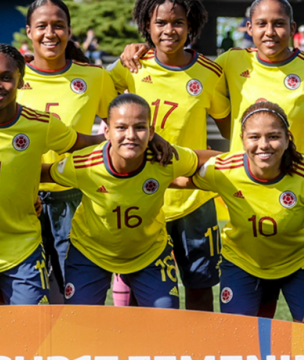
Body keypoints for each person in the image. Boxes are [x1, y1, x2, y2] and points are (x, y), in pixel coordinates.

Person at [0, 44, 173, 307]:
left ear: (21, 81)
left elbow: (84, 141)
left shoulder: (41, 124)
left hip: (22, 250)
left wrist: (138, 137)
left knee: (31, 333)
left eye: (7, 77)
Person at [120, 0, 304, 192]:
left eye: (278, 24)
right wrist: (146, 48)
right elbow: (183, 68)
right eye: (261, 24)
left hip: (298, 182)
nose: (270, 32)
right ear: (250, 28)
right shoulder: (232, 60)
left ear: (292, 28)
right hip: (245, 184)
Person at [108, 0, 231, 312]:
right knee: (139, 287)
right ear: (147, 26)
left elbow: (229, 129)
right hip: (142, 196)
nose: (169, 30)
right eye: (160, 22)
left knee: (200, 285)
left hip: (193, 198)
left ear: (190, 26)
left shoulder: (209, 72)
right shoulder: (128, 67)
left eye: (178, 22)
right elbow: (96, 102)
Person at [41, 93, 215, 307]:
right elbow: (42, 174)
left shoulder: (165, 159)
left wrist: (248, 163)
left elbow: (212, 159)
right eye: (121, 127)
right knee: (79, 324)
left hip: (149, 253)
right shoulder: (83, 163)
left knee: (165, 322)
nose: (130, 135)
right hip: (90, 253)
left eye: (140, 127)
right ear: (107, 132)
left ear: (152, 133)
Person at [174, 101, 304, 326]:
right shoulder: (224, 169)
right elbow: (178, 177)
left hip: (297, 262)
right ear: (242, 140)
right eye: (254, 137)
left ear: (288, 139)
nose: (264, 145)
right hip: (243, 262)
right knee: (237, 336)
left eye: (273, 136)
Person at [16, 0, 119, 303]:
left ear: (70, 31)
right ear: (29, 32)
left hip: (75, 198)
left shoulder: (94, 76)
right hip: (21, 197)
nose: (50, 33)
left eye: (58, 26)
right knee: (22, 298)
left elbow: (119, 124)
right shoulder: (11, 76)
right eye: (42, 26)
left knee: (72, 298)